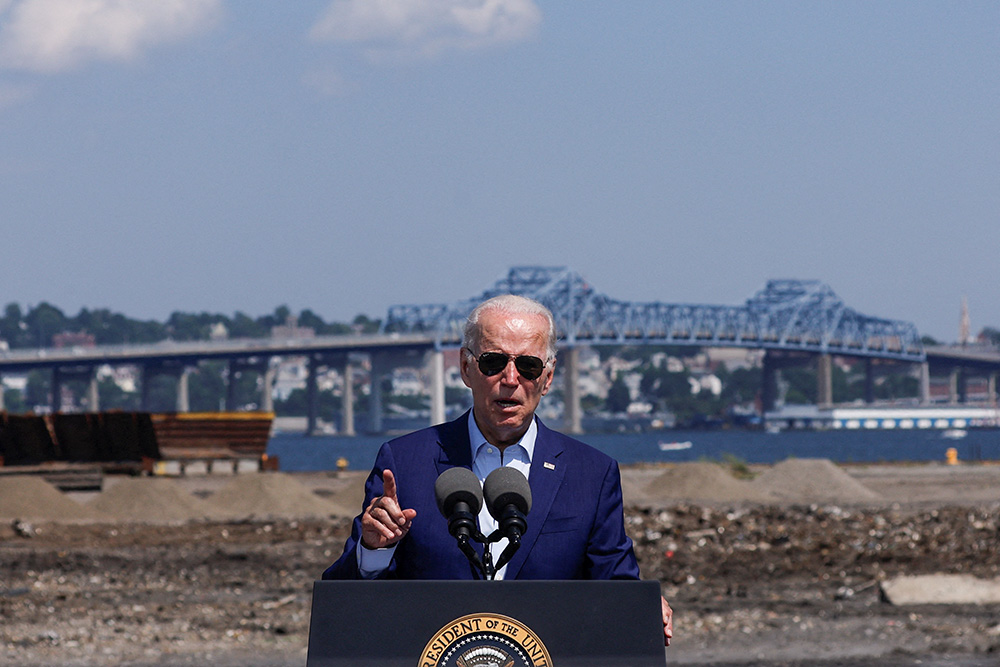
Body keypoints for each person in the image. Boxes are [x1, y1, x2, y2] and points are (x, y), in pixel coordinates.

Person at [322, 294, 673, 646]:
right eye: (493, 362)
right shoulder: (403, 463)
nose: (510, 378)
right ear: (465, 368)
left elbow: (615, 582)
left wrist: (640, 607)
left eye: (528, 367)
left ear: (548, 378)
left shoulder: (593, 474)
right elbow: (342, 601)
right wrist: (374, 550)